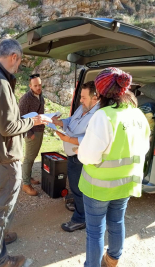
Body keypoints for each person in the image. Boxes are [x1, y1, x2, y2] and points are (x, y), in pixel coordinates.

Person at [0, 39, 49, 267]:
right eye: (20, 61)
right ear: (14, 56)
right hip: (4, 156)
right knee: (1, 207)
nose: (19, 67)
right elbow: (7, 127)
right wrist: (33, 121)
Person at [77, 67, 150, 267]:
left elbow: (88, 156)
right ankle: (113, 259)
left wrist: (81, 148)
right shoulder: (137, 115)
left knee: (95, 231)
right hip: (125, 185)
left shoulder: (103, 116)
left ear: (100, 93)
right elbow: (143, 148)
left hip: (98, 187)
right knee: (117, 222)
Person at [52, 81, 100, 232]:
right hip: (72, 154)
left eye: (84, 97)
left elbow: (93, 139)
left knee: (80, 189)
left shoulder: (99, 115)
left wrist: (68, 139)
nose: (80, 100)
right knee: (76, 186)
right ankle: (81, 210)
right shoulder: (83, 108)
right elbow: (71, 121)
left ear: (96, 98)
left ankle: (80, 219)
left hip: (81, 156)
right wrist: (58, 122)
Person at [19, 73, 44, 196]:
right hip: (32, 133)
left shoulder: (41, 95)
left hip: (40, 130)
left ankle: (28, 177)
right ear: (30, 86)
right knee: (28, 159)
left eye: (40, 85)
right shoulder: (25, 99)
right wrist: (29, 133)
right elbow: (20, 118)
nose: (38, 88)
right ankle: (26, 184)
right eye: (36, 86)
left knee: (33, 157)